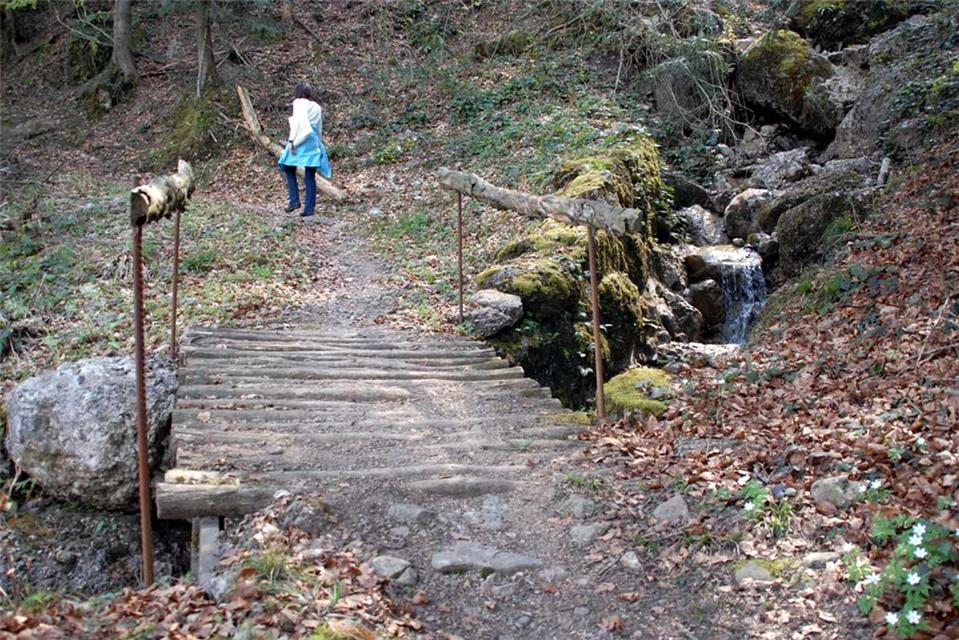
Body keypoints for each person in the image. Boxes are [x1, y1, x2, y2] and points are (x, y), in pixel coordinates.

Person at [278, 82, 331, 217]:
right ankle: (309, 209)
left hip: (302, 138)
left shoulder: (299, 103)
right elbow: (318, 128)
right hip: (314, 141)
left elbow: (302, 127)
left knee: (287, 166)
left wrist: (292, 143)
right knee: (309, 176)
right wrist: (319, 142)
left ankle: (294, 201)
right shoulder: (316, 106)